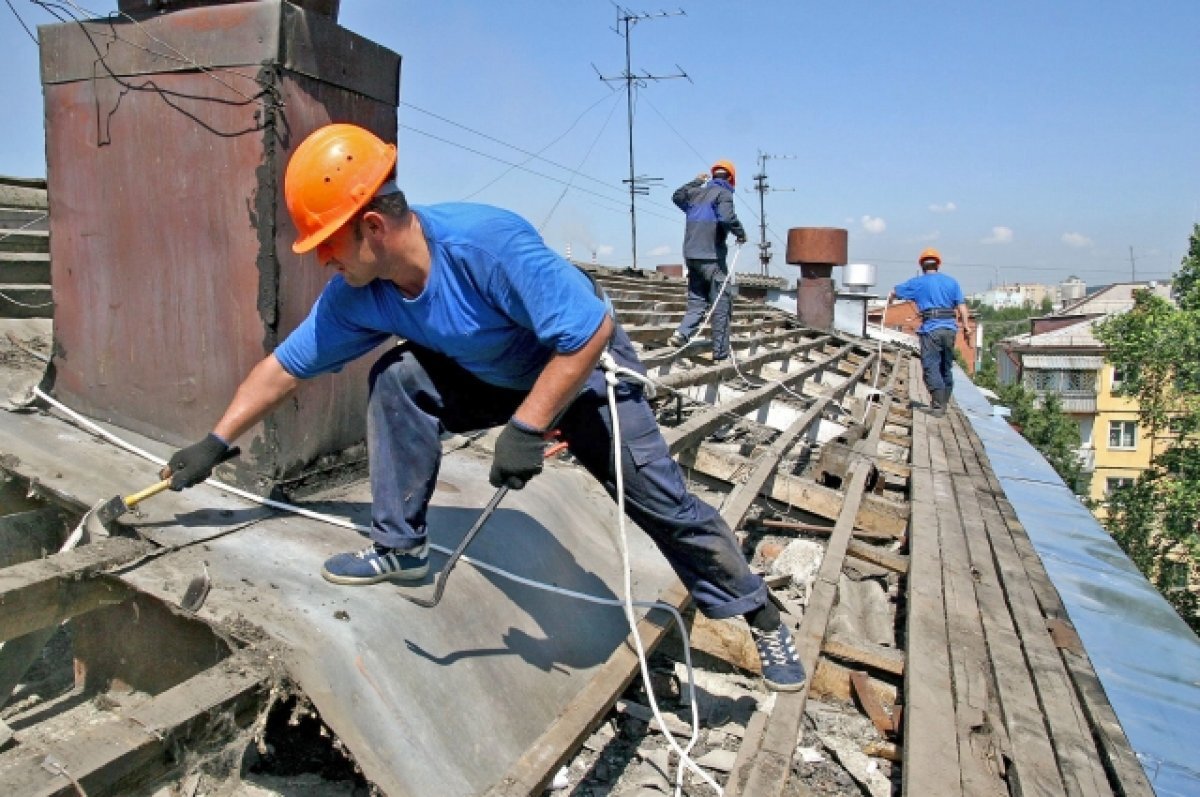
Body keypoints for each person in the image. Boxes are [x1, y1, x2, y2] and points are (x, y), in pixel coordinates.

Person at [160, 123, 806, 692]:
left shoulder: (485, 243)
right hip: (495, 375)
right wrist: (216, 442)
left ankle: (759, 613)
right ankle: (401, 547)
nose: (324, 259)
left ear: (374, 227)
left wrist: (528, 426)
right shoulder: (358, 295)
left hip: (583, 371)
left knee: (661, 502)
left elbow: (588, 333)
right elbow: (284, 368)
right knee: (399, 375)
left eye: (329, 242)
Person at [667, 161, 747, 361]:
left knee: (697, 300)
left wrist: (695, 181)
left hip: (691, 256)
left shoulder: (696, 193)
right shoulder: (723, 194)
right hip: (711, 257)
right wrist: (740, 233)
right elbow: (726, 218)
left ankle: (682, 334)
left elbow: (677, 196)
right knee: (721, 304)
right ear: (731, 179)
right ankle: (720, 354)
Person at [887, 247, 969, 416]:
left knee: (931, 366)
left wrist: (890, 298)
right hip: (950, 329)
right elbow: (962, 306)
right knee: (945, 366)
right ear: (938, 264)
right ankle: (943, 403)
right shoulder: (951, 282)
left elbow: (895, 291)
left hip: (931, 329)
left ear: (922, 266)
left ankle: (938, 407)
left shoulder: (918, 283)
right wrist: (966, 326)